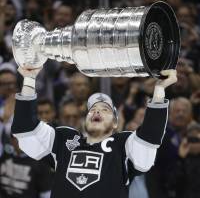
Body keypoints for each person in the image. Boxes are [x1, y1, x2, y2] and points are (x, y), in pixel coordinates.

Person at [11, 66, 177, 198]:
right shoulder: (65, 139)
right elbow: (26, 130)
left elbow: (149, 138)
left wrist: (159, 90)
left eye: (104, 109)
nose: (96, 111)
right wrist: (29, 79)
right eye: (92, 109)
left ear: (114, 124)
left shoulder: (123, 146)